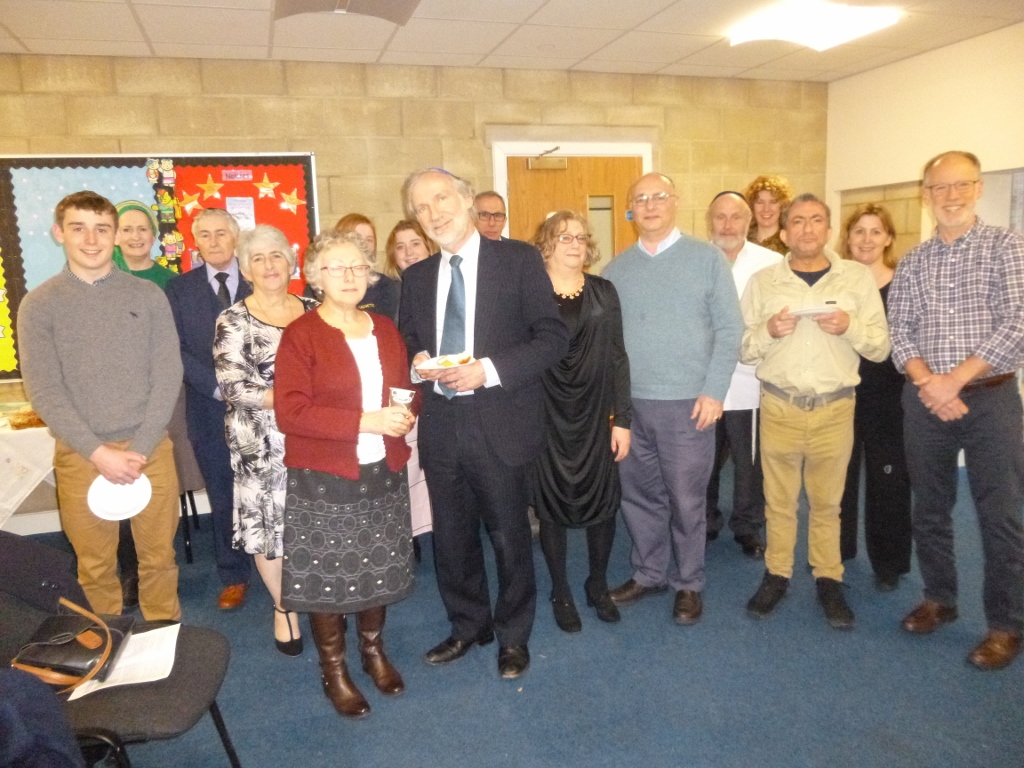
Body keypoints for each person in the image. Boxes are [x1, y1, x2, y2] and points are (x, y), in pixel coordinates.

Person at [399, 168, 568, 679]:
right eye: (421, 207)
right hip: (442, 428)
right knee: (450, 538)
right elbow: (407, 341)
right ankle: (469, 625)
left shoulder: (516, 260)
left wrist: (489, 371)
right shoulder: (418, 276)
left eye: (441, 198)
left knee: (510, 538)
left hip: (501, 423)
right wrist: (418, 360)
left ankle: (514, 636)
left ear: (467, 200)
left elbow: (552, 338)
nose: (433, 213)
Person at [19, 190, 183, 620]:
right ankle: (106, 652)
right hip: (81, 455)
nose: (90, 239)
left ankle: (163, 641)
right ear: (60, 234)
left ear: (114, 236)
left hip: (150, 451)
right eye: (78, 228)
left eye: (101, 229)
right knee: (95, 568)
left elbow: (167, 374)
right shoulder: (39, 305)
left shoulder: (148, 296)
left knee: (159, 560)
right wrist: (97, 452)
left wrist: (142, 447)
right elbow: (45, 391)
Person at [889, 151, 1024, 670]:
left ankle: (1006, 625)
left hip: (990, 398)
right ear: (926, 194)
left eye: (959, 185)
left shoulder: (1006, 247)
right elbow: (899, 331)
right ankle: (940, 598)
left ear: (978, 188)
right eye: (938, 188)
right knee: (930, 506)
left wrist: (954, 381)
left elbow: (1016, 323)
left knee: (1001, 514)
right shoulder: (915, 261)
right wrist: (928, 382)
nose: (949, 196)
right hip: (924, 399)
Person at [275, 230, 417, 717]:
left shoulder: (385, 328)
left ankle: (373, 651)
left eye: (358, 266)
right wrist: (365, 421)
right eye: (337, 267)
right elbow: (290, 413)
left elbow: (402, 390)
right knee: (327, 578)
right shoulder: (302, 334)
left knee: (377, 565)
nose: (350, 275)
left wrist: (404, 412)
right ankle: (333, 669)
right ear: (316, 277)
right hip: (325, 473)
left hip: (383, 468)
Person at [741, 193, 890, 630]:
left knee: (828, 504)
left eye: (817, 220)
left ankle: (829, 579)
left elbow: (881, 346)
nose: (807, 229)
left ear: (828, 230)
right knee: (779, 502)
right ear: (784, 232)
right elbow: (744, 347)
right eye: (798, 222)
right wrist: (769, 330)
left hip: (834, 409)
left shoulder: (856, 279)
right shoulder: (764, 281)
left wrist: (850, 327)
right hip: (780, 407)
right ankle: (778, 574)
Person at [602, 173, 743, 626]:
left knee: (687, 500)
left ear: (675, 202)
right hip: (631, 408)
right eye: (639, 199)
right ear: (630, 210)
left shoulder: (707, 259)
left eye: (658, 196)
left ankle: (689, 582)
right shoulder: (615, 270)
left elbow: (729, 329)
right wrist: (612, 408)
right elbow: (606, 346)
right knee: (639, 497)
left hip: (688, 405)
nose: (649, 205)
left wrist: (714, 390)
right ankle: (649, 573)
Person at [213, 224, 317, 656]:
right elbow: (233, 386)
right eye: (258, 259)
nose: (269, 265)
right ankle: (282, 605)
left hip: (316, 436)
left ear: (292, 263)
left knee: (314, 520)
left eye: (276, 256)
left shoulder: (316, 309)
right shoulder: (232, 319)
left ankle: (318, 595)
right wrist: (296, 400)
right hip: (261, 442)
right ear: (246, 269)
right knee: (269, 527)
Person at [528, 210, 631, 632]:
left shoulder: (605, 291)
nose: (574, 244)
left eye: (581, 237)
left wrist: (622, 419)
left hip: (596, 416)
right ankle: (561, 590)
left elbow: (618, 357)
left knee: (603, 502)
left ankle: (597, 583)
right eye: (564, 236)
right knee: (552, 504)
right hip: (546, 415)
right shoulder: (530, 293)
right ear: (547, 244)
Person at [166, 208, 253, 610]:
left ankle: (280, 562)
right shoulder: (178, 290)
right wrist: (218, 389)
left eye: (221, 233)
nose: (214, 241)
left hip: (261, 409)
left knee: (269, 488)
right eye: (205, 234)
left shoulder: (259, 279)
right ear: (194, 242)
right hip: (208, 408)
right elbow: (176, 350)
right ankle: (232, 573)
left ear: (236, 237)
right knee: (223, 492)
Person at [837, 203, 912, 592]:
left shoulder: (903, 282)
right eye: (859, 231)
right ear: (847, 239)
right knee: (837, 480)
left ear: (888, 238)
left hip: (889, 397)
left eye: (875, 231)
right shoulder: (836, 283)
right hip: (841, 394)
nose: (866, 239)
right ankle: (836, 553)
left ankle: (889, 564)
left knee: (889, 482)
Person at [704, 192, 782, 557]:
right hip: (703, 381)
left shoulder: (773, 263)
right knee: (703, 459)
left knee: (751, 464)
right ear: (710, 220)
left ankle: (748, 526)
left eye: (736, 217)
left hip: (751, 379)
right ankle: (704, 520)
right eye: (720, 217)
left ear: (748, 221)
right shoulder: (696, 259)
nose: (728, 224)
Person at [334, 213, 400, 322]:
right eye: (357, 238)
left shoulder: (386, 286)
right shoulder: (324, 284)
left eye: (369, 240)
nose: (364, 244)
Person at [744, 175, 793, 255]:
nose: (766, 209)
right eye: (760, 202)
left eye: (773, 202)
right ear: (752, 206)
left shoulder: (790, 242)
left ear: (782, 206)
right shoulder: (742, 241)